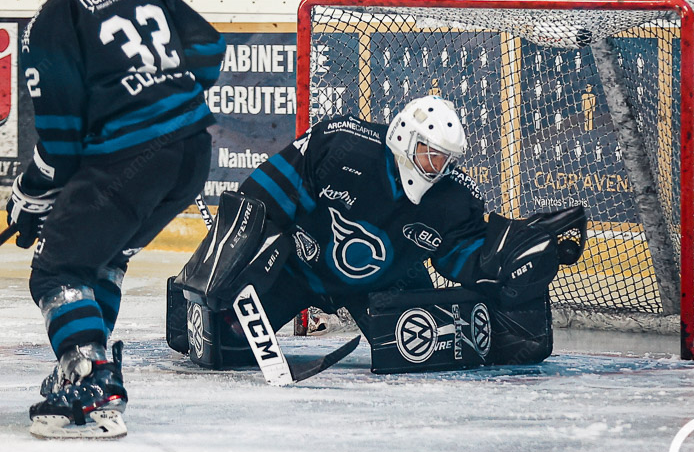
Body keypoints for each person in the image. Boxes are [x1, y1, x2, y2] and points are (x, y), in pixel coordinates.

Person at [6, 0, 225, 438]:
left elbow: (61, 146)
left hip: (130, 164)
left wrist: (30, 195)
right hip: (192, 152)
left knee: (58, 271)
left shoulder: (50, 20)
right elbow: (209, 50)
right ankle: (86, 365)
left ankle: (89, 376)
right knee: (102, 257)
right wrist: (161, 94)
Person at [166, 95, 587, 374]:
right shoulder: (342, 145)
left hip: (386, 284)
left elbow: (464, 254)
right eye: (430, 154)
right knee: (222, 347)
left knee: (422, 355)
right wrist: (235, 258)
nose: (436, 167)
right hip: (297, 270)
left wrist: (512, 255)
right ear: (405, 136)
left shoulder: (451, 199)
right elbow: (264, 195)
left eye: (445, 160)